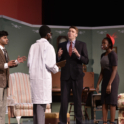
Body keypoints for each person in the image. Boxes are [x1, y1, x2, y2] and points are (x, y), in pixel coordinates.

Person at [27, 25, 59, 124]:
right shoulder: (48, 47)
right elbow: (50, 65)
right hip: (43, 79)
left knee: (36, 106)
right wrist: (57, 68)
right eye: (50, 34)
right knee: (41, 107)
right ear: (48, 34)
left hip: (34, 79)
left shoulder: (33, 46)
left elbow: (29, 63)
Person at [57, 26, 89, 124]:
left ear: (76, 34)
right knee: (64, 100)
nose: (70, 33)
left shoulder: (82, 44)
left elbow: (86, 60)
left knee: (77, 101)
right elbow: (58, 62)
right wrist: (58, 56)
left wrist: (79, 55)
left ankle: (79, 122)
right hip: (65, 77)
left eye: (72, 31)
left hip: (77, 76)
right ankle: (62, 122)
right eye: (69, 31)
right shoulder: (61, 45)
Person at [0, 30, 26, 124]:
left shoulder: (4, 50)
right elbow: (4, 64)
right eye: (4, 37)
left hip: (4, 82)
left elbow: (8, 64)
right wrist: (7, 64)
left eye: (7, 37)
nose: (7, 39)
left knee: (3, 106)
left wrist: (17, 61)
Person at [96, 34, 119, 124]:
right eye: (102, 43)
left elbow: (114, 70)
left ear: (109, 44)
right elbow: (102, 71)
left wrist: (110, 84)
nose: (102, 44)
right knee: (104, 101)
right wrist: (98, 84)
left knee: (112, 102)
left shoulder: (113, 54)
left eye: (104, 43)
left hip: (113, 79)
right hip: (105, 78)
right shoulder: (102, 55)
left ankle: (112, 122)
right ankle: (105, 122)